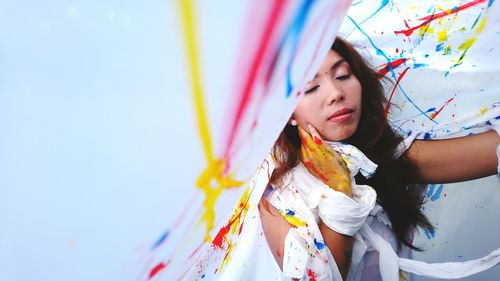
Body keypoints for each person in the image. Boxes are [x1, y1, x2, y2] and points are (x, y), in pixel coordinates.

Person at [258, 37, 500, 281]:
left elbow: (492, 152)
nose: (336, 94)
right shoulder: (276, 200)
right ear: (287, 112)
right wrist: (339, 190)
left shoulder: (381, 158)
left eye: (343, 75)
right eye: (310, 87)